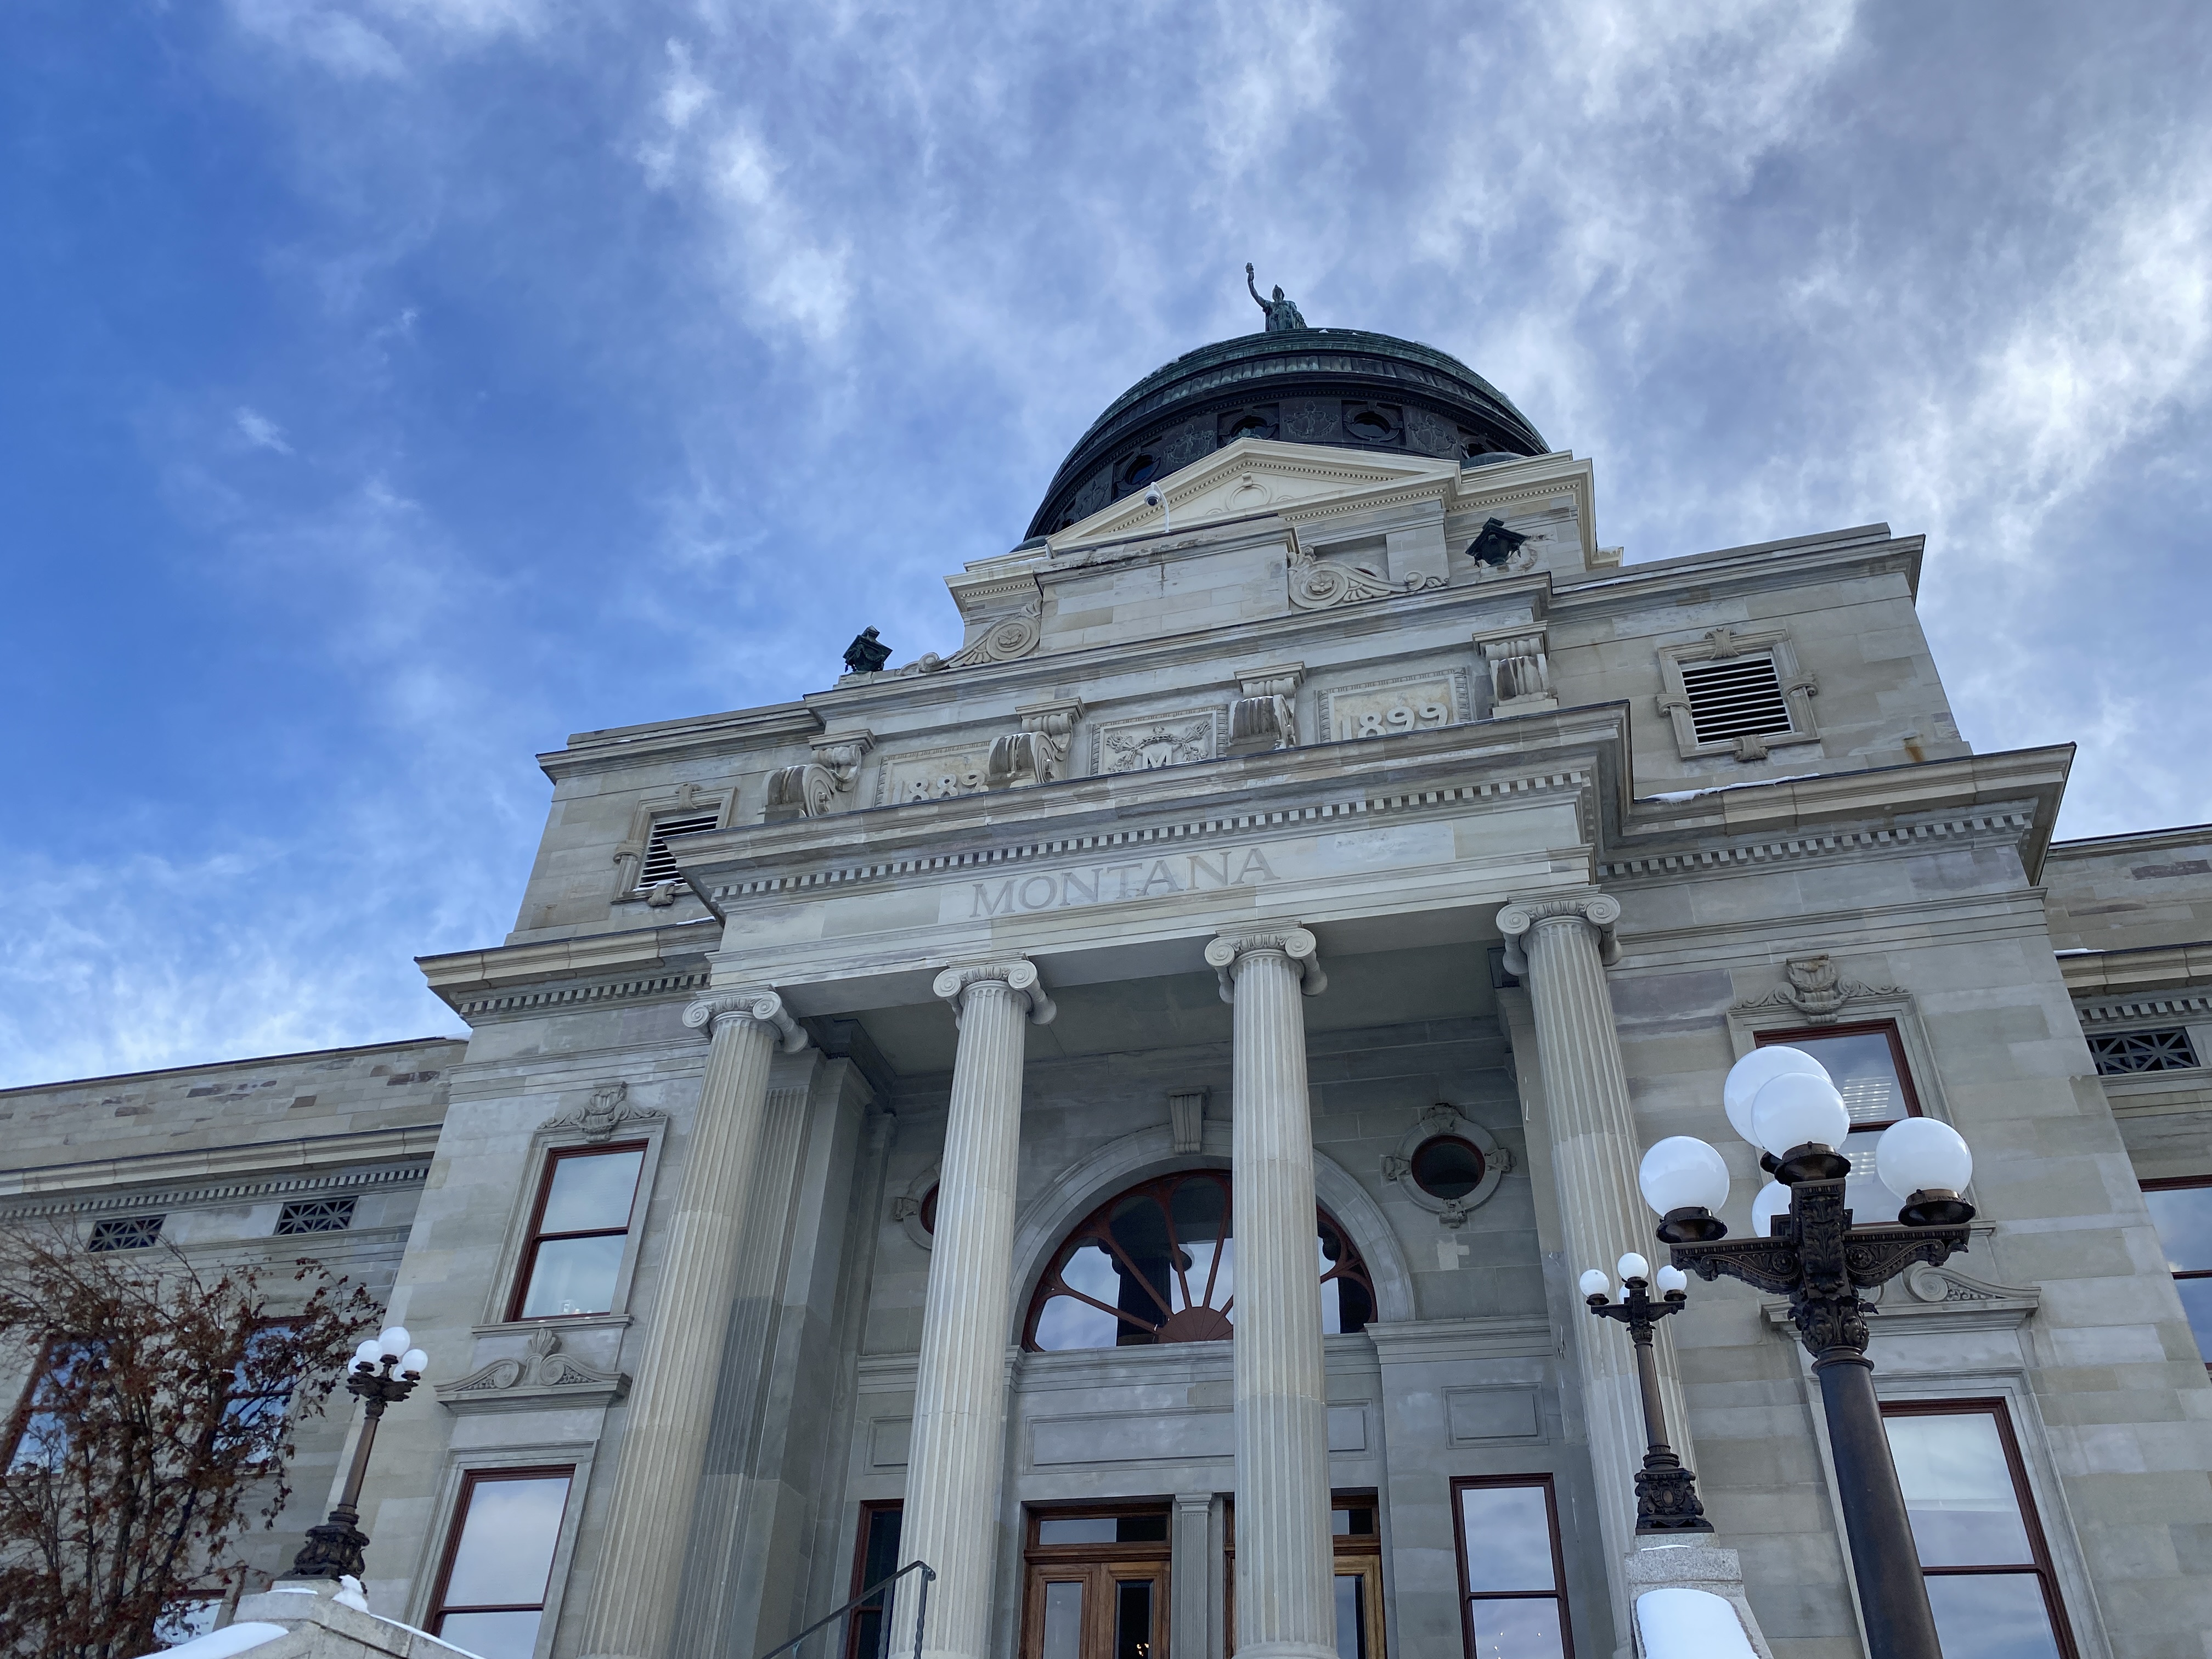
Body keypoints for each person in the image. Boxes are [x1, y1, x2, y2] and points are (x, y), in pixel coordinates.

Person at [1246, 263, 1308, 332]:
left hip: (1289, 326)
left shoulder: (1290, 304)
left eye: (1279, 291)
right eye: (1275, 292)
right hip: (1275, 326)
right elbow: (1256, 296)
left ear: (1282, 294)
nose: (1277, 293)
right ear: (1273, 296)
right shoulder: (1269, 305)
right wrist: (1250, 278)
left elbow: (1297, 316)